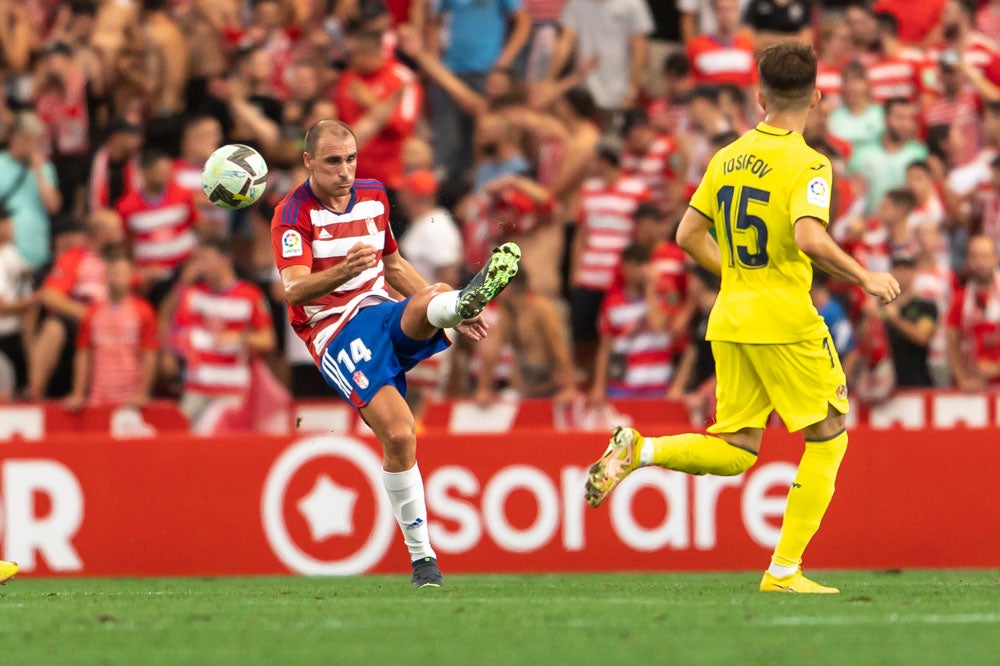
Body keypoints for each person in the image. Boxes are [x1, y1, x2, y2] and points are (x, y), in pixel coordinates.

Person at [584, 42, 900, 593]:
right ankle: (784, 570)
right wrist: (865, 277)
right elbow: (809, 235)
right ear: (817, 98)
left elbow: (685, 236)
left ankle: (643, 449)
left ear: (759, 98)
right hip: (784, 317)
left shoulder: (726, 156)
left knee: (736, 449)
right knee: (829, 437)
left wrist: (733, 274)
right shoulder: (809, 163)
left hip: (730, 316)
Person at [270, 120, 521, 588]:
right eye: (332, 162)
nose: (345, 171)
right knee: (402, 437)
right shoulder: (292, 215)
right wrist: (343, 270)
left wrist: (450, 313)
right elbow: (294, 290)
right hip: (334, 333)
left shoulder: (373, 194)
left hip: (378, 309)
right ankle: (423, 558)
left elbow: (393, 264)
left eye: (350, 159)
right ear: (308, 163)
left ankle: (458, 304)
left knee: (435, 294)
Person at [65, 246, 159, 411]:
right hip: (97, 396)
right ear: (106, 275)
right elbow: (84, 353)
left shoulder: (143, 311)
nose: (117, 278)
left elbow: (149, 354)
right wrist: (79, 393)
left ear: (131, 276)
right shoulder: (93, 313)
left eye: (122, 273)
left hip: (130, 398)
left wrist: (142, 392)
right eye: (113, 273)